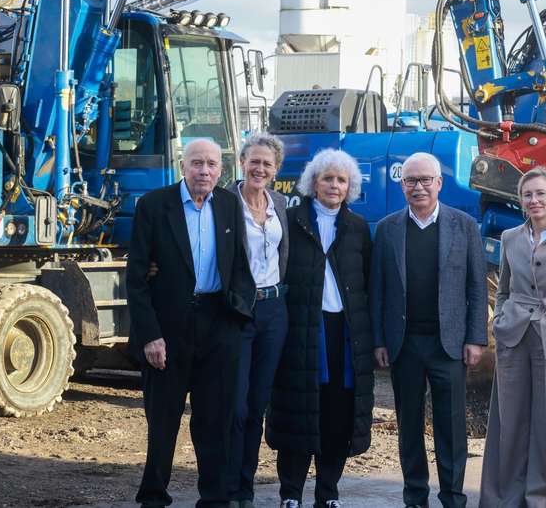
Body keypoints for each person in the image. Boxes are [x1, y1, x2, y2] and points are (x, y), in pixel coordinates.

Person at [126, 138, 255, 508]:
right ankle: (153, 495)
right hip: (168, 327)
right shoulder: (154, 206)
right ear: (183, 166)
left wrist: (239, 317)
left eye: (212, 165)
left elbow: (240, 267)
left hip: (219, 324)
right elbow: (135, 277)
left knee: (215, 421)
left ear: (221, 169)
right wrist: (151, 335)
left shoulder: (230, 205)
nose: (205, 171)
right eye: (197, 163)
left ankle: (214, 498)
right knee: (163, 421)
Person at [370, 152, 488, 508]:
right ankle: (415, 497)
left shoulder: (463, 225)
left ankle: (453, 496)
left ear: (439, 183)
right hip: (403, 345)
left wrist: (475, 337)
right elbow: (378, 290)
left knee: (451, 427)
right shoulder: (387, 229)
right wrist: (379, 340)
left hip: (447, 345)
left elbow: (476, 287)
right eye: (411, 181)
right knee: (408, 426)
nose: (418, 187)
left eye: (425, 180)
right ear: (401, 185)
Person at [266, 148, 375, 508]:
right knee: (299, 413)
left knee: (337, 416)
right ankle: (291, 495)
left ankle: (327, 494)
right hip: (301, 328)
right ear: (313, 182)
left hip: (343, 333)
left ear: (350, 187)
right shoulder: (291, 220)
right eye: (327, 178)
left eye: (341, 180)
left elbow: (368, 283)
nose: (334, 185)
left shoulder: (358, 228)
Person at [480, 167, 546, 507]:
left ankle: (545, 499)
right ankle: (505, 496)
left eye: (541, 193)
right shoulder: (510, 237)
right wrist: (500, 318)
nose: (534, 200)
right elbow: (504, 287)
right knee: (509, 418)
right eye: (527, 194)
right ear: (521, 200)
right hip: (513, 335)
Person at [227, 133, 290, 508]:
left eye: (267, 164)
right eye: (254, 161)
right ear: (242, 162)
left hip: (273, 311)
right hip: (237, 311)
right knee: (234, 405)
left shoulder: (280, 203)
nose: (260, 168)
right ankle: (227, 484)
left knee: (257, 403)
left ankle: (245, 489)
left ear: (275, 170)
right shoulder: (224, 203)